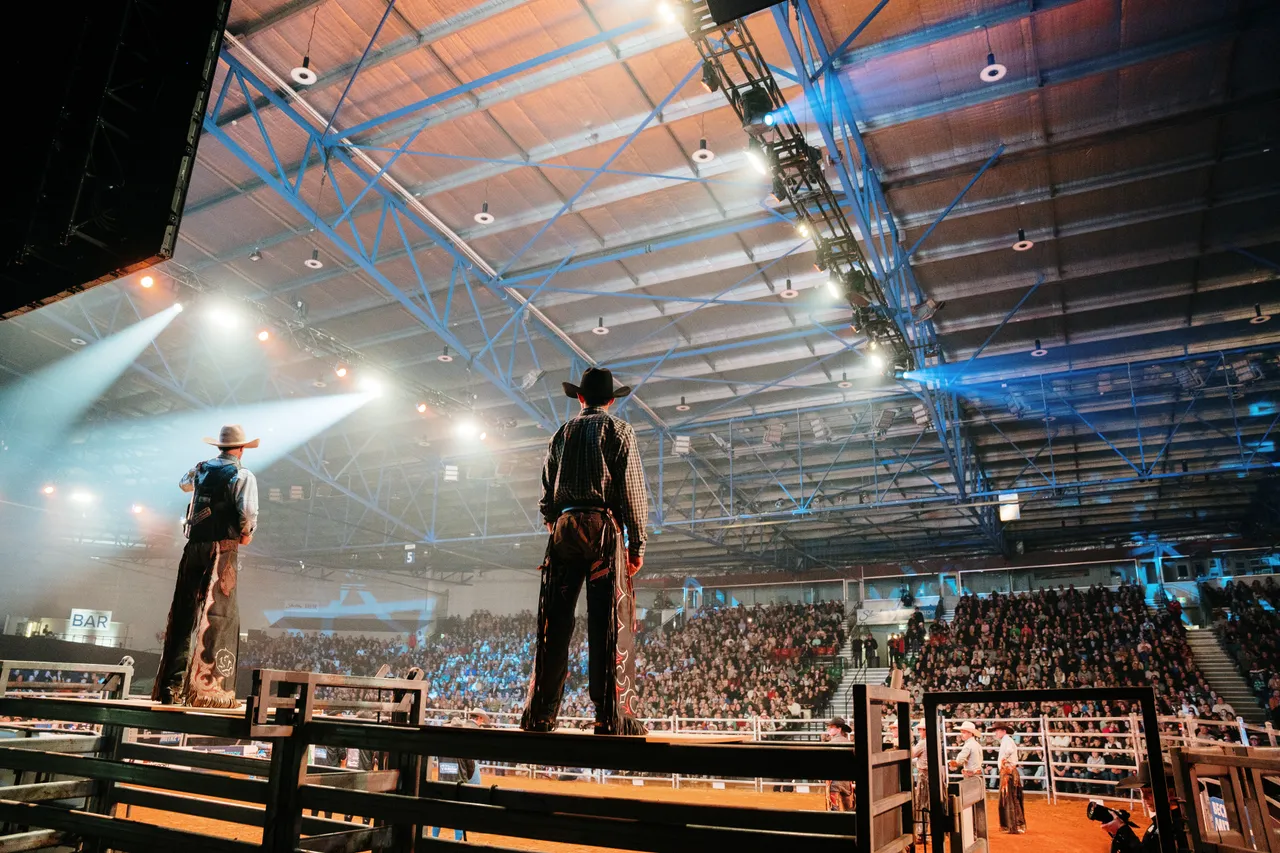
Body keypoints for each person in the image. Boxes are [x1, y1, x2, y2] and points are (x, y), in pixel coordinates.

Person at [521, 368, 648, 736]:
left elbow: (546, 491)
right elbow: (633, 492)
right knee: (607, 622)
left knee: (555, 623)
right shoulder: (619, 431)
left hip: (563, 528)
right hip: (601, 527)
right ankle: (609, 717)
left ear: (579, 398)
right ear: (610, 400)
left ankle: (541, 715)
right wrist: (635, 545)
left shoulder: (561, 433)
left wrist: (555, 525)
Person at [153, 425, 259, 708]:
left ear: (219, 447)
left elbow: (183, 484)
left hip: (194, 545)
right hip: (222, 548)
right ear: (241, 448)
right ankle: (209, 691)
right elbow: (247, 511)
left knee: (185, 612)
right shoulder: (243, 474)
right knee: (219, 614)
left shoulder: (201, 469)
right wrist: (247, 532)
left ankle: (170, 687)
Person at [1106, 762, 1188, 852]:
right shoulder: (1168, 820)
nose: (1144, 797)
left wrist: (1123, 829)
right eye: (1142, 792)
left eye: (1149, 792)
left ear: (1170, 793)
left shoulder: (1172, 825)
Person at [993, 722, 1026, 834]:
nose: (996, 733)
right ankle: (1016, 824)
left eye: (998, 730)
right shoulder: (1007, 740)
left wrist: (1004, 760)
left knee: (1010, 798)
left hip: (1008, 772)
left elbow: (1009, 751)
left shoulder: (1007, 740)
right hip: (1009, 771)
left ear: (1004, 731)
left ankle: (1014, 825)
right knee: (1012, 798)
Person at [825, 717, 854, 812]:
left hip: (834, 780)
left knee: (834, 808)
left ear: (839, 729)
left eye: (831, 727)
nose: (829, 729)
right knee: (849, 808)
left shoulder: (830, 744)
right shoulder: (849, 743)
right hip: (847, 781)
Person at [911, 720, 930, 845]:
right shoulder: (932, 741)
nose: (919, 732)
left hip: (924, 775)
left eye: (921, 730)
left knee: (922, 803)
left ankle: (922, 833)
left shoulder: (923, 743)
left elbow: (912, 754)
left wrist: (911, 742)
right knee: (926, 803)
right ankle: (924, 833)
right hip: (930, 774)